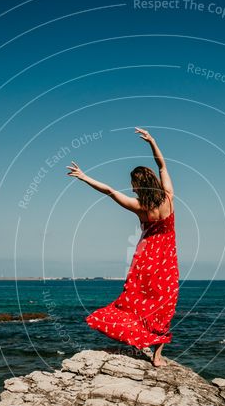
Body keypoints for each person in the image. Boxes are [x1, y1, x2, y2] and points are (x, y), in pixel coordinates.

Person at [66, 127, 179, 367]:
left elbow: (108, 190)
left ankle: (135, 338)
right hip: (167, 260)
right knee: (164, 305)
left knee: (135, 301)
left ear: (138, 186)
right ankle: (157, 356)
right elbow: (162, 166)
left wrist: (84, 177)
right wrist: (152, 142)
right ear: (154, 182)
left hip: (146, 259)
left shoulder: (139, 206)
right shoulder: (169, 196)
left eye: (133, 184)